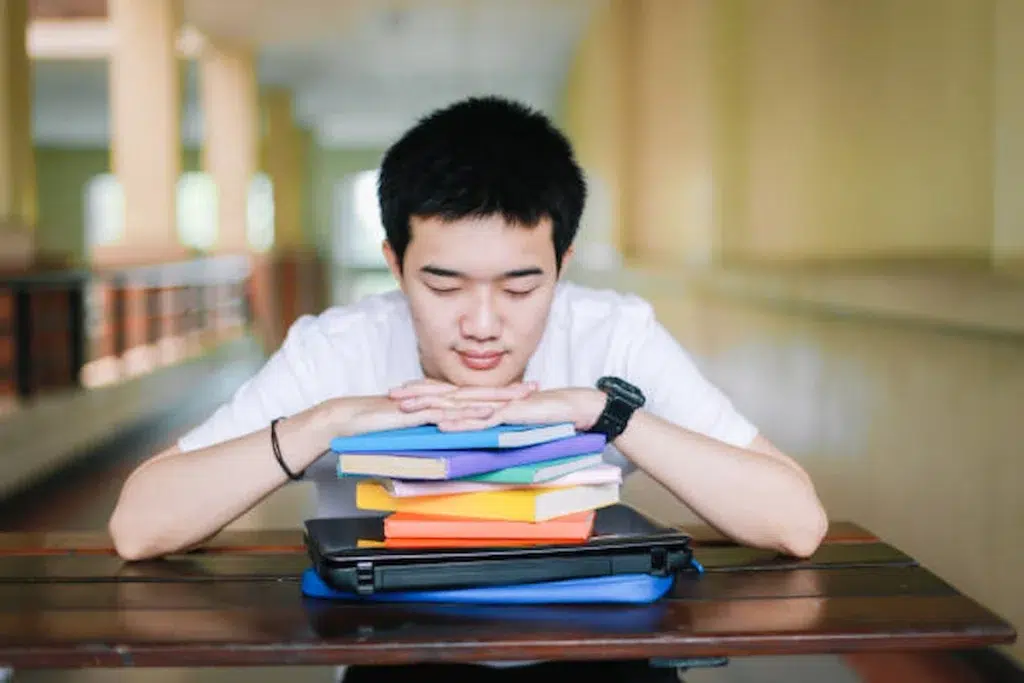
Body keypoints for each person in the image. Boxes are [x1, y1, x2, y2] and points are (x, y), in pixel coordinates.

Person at [107, 96, 827, 563]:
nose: (482, 325)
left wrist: (600, 412)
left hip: (596, 649)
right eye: (444, 285)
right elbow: (138, 527)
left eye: (520, 286)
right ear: (394, 263)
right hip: (397, 652)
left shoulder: (615, 335)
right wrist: (327, 421)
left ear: (563, 263)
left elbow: (797, 522)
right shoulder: (334, 348)